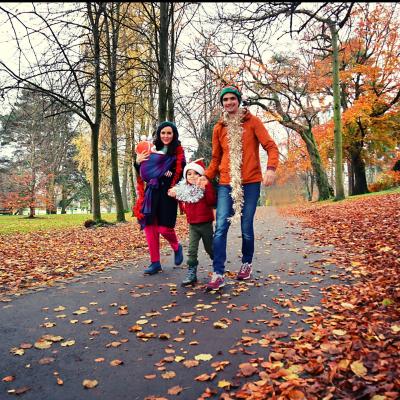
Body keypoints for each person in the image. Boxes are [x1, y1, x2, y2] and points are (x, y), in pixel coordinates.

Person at [197, 85, 279, 291]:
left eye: (233, 99)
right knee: (221, 227)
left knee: (245, 227)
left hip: (250, 182)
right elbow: (216, 158)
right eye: (225, 100)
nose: (229, 103)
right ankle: (218, 273)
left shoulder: (252, 122)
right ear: (222, 103)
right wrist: (207, 176)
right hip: (226, 183)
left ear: (239, 100)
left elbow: (271, 146)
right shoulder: (219, 128)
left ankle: (246, 263)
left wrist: (271, 169)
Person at [133, 121, 186, 275]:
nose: (166, 136)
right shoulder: (152, 149)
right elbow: (144, 171)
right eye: (163, 133)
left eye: (169, 133)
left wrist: (169, 172)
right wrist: (137, 162)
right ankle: (155, 262)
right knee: (150, 227)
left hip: (168, 194)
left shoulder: (178, 152)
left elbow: (182, 171)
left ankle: (177, 246)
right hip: (152, 192)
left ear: (174, 134)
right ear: (159, 134)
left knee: (164, 228)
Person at [168, 159, 216, 286]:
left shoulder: (205, 186)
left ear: (201, 175)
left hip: (205, 224)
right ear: (186, 176)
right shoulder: (185, 189)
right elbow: (182, 202)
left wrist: (206, 188)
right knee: (192, 250)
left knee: (210, 248)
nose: (192, 176)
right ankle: (191, 273)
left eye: (196, 173)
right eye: (189, 174)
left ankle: (218, 267)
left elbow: (212, 201)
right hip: (193, 225)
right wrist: (174, 194)